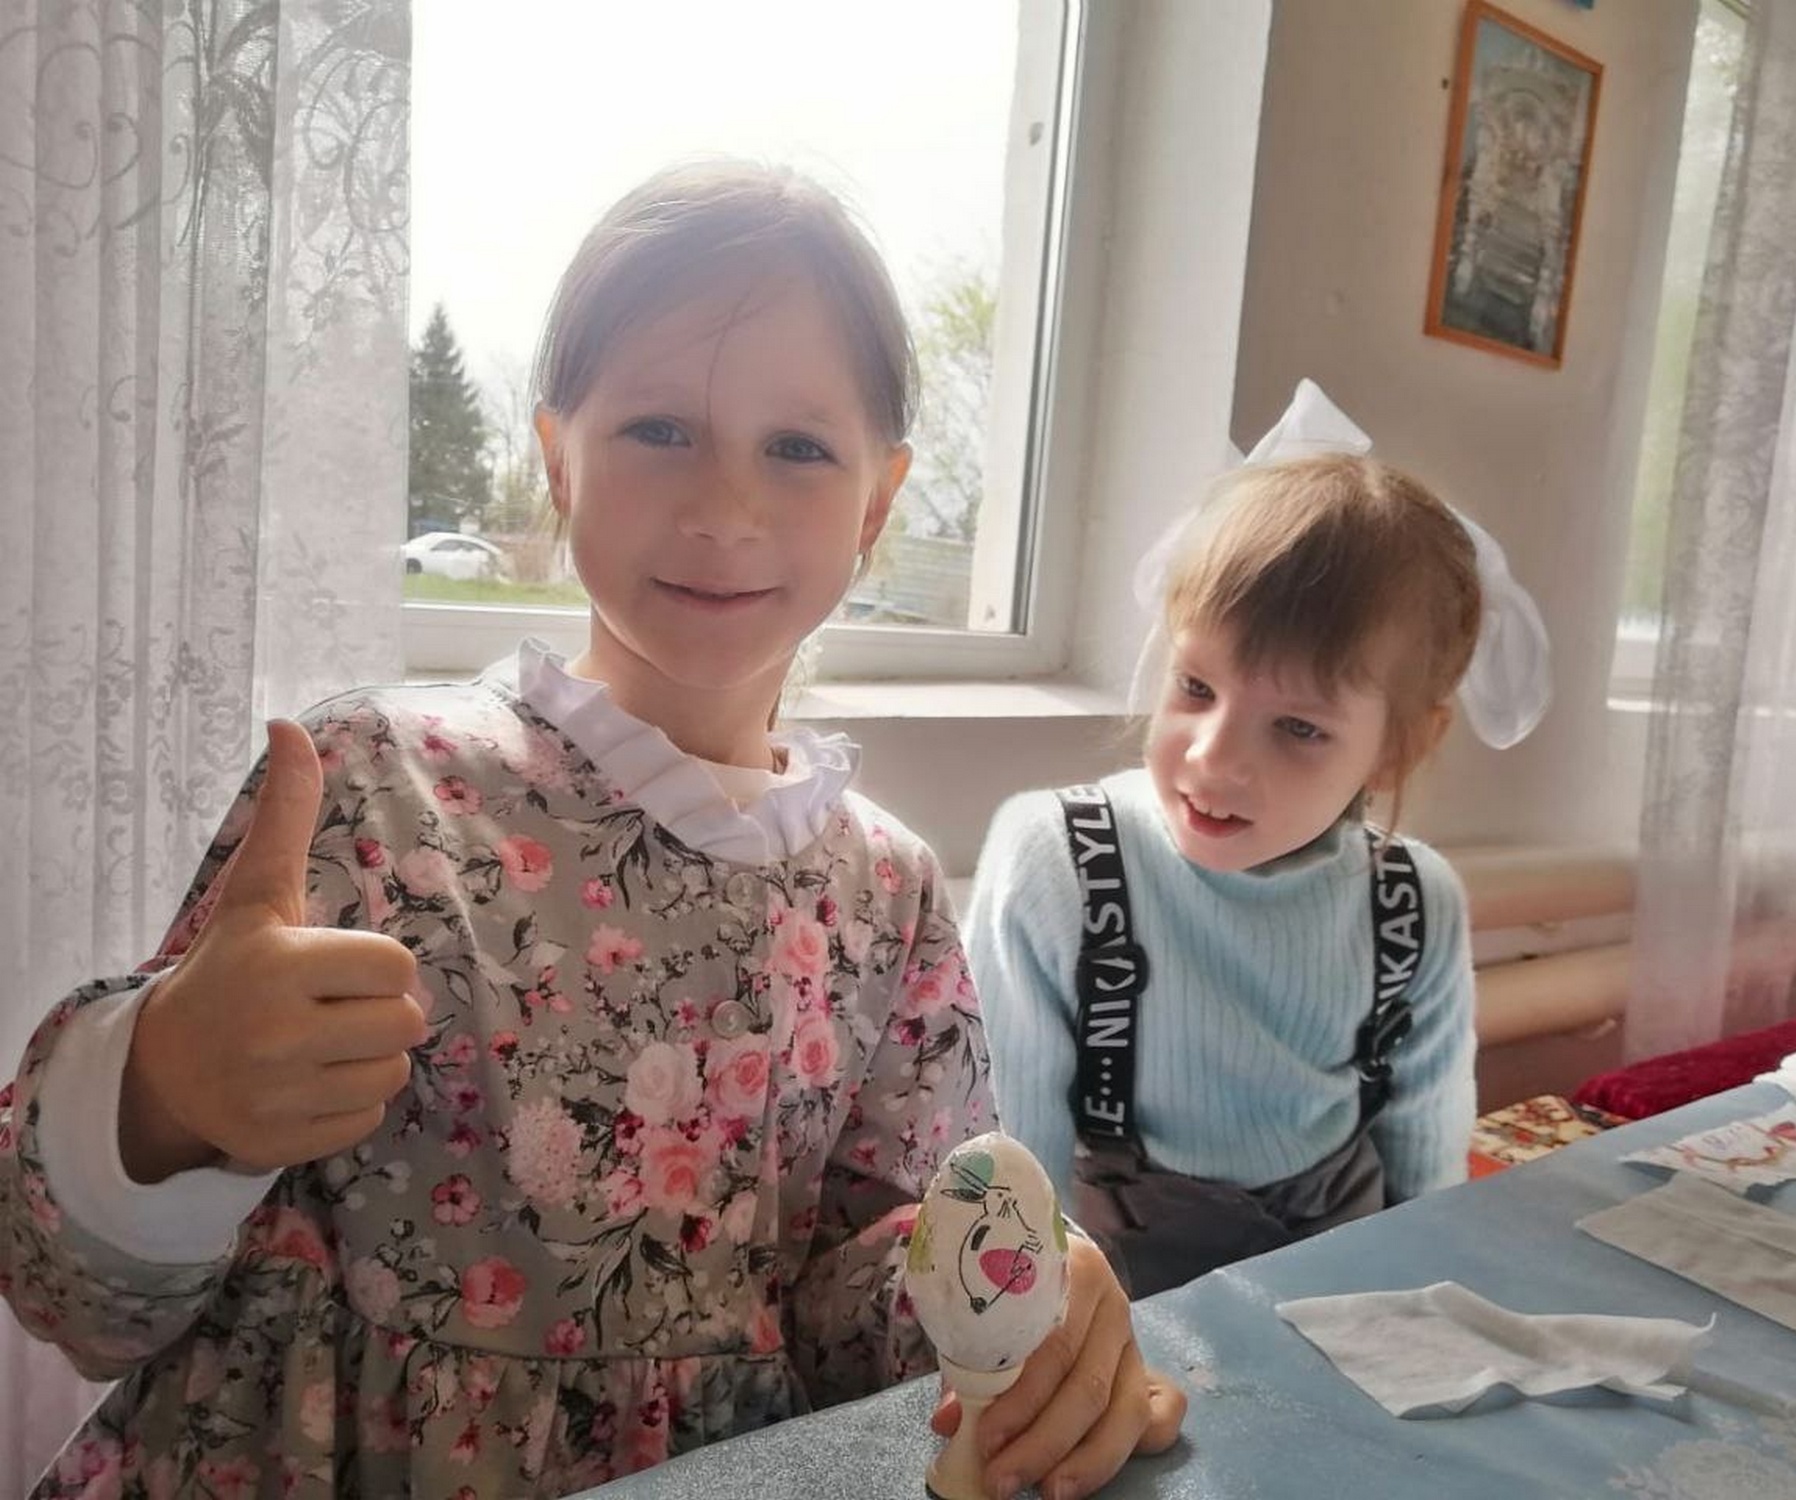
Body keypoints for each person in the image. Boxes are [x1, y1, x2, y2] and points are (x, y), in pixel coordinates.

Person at [1, 162, 1181, 1499]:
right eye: (660, 430)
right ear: (557, 460)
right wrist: (162, 1093)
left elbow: (856, 1308)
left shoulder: (891, 893)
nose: (725, 510)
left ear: (876, 503)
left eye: (797, 448)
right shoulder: (372, 789)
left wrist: (1013, 1293)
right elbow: (77, 1300)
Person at [966, 381, 1548, 1298]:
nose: (1214, 757)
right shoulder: (1058, 864)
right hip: (1114, 1291)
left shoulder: (1415, 904)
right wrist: (1035, 1338)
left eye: (1299, 728)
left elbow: (1425, 1171)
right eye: (1196, 688)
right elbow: (1013, 1171)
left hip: (1340, 1277)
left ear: (1397, 748)